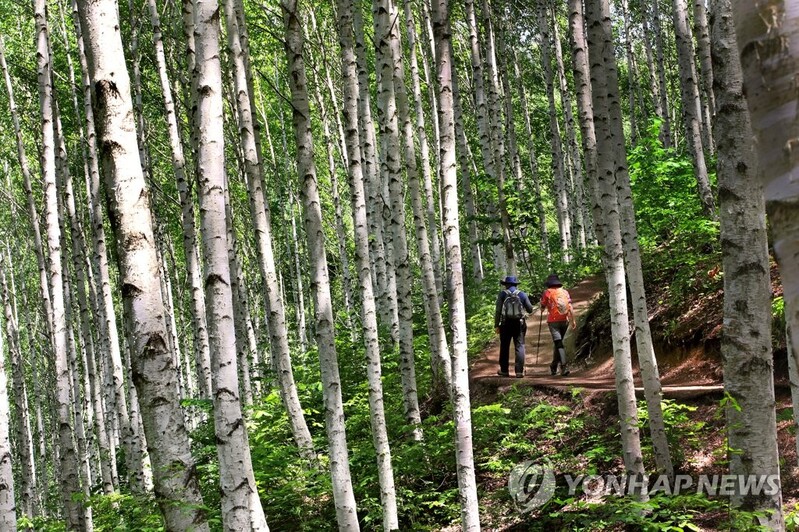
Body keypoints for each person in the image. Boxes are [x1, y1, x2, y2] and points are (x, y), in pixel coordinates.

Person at [494, 275, 534, 378]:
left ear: (506, 285)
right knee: (519, 346)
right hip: (519, 324)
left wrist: (496, 325)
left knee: (504, 346)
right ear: (516, 285)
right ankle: (519, 372)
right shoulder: (522, 294)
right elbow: (530, 309)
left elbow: (498, 310)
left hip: (505, 324)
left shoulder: (502, 295)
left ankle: (504, 370)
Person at [540, 273, 576, 376]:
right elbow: (570, 306)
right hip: (565, 320)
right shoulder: (564, 292)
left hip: (553, 322)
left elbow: (542, 307)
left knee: (559, 344)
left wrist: (542, 306)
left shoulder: (547, 292)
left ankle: (564, 367)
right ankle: (554, 366)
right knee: (558, 344)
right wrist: (573, 320)